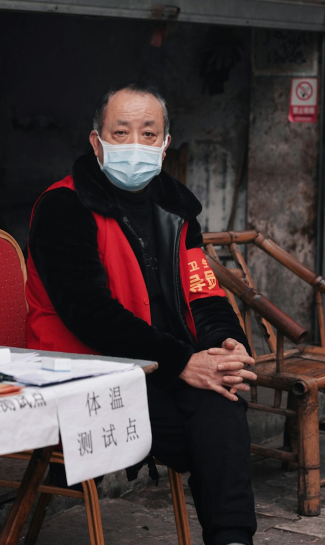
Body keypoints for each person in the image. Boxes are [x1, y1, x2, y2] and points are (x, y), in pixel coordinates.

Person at [26, 82, 257, 545]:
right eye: (121, 132)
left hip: (157, 367)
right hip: (87, 372)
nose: (135, 145)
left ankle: (233, 540)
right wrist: (183, 362)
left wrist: (227, 345)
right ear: (97, 142)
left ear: (166, 144)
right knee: (213, 427)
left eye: (148, 134)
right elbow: (88, 314)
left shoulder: (176, 208)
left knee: (223, 400)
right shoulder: (63, 207)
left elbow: (203, 292)